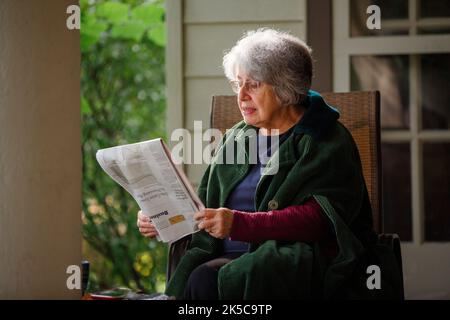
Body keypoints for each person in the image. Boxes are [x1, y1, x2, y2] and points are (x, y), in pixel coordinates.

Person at [136, 28, 403, 300]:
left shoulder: (326, 138)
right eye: (237, 83)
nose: (240, 96)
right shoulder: (237, 137)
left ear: (285, 87)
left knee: (206, 279)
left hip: (300, 260)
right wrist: (166, 217)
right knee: (201, 276)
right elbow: (204, 205)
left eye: (253, 84)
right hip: (224, 257)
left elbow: (319, 220)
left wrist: (240, 224)